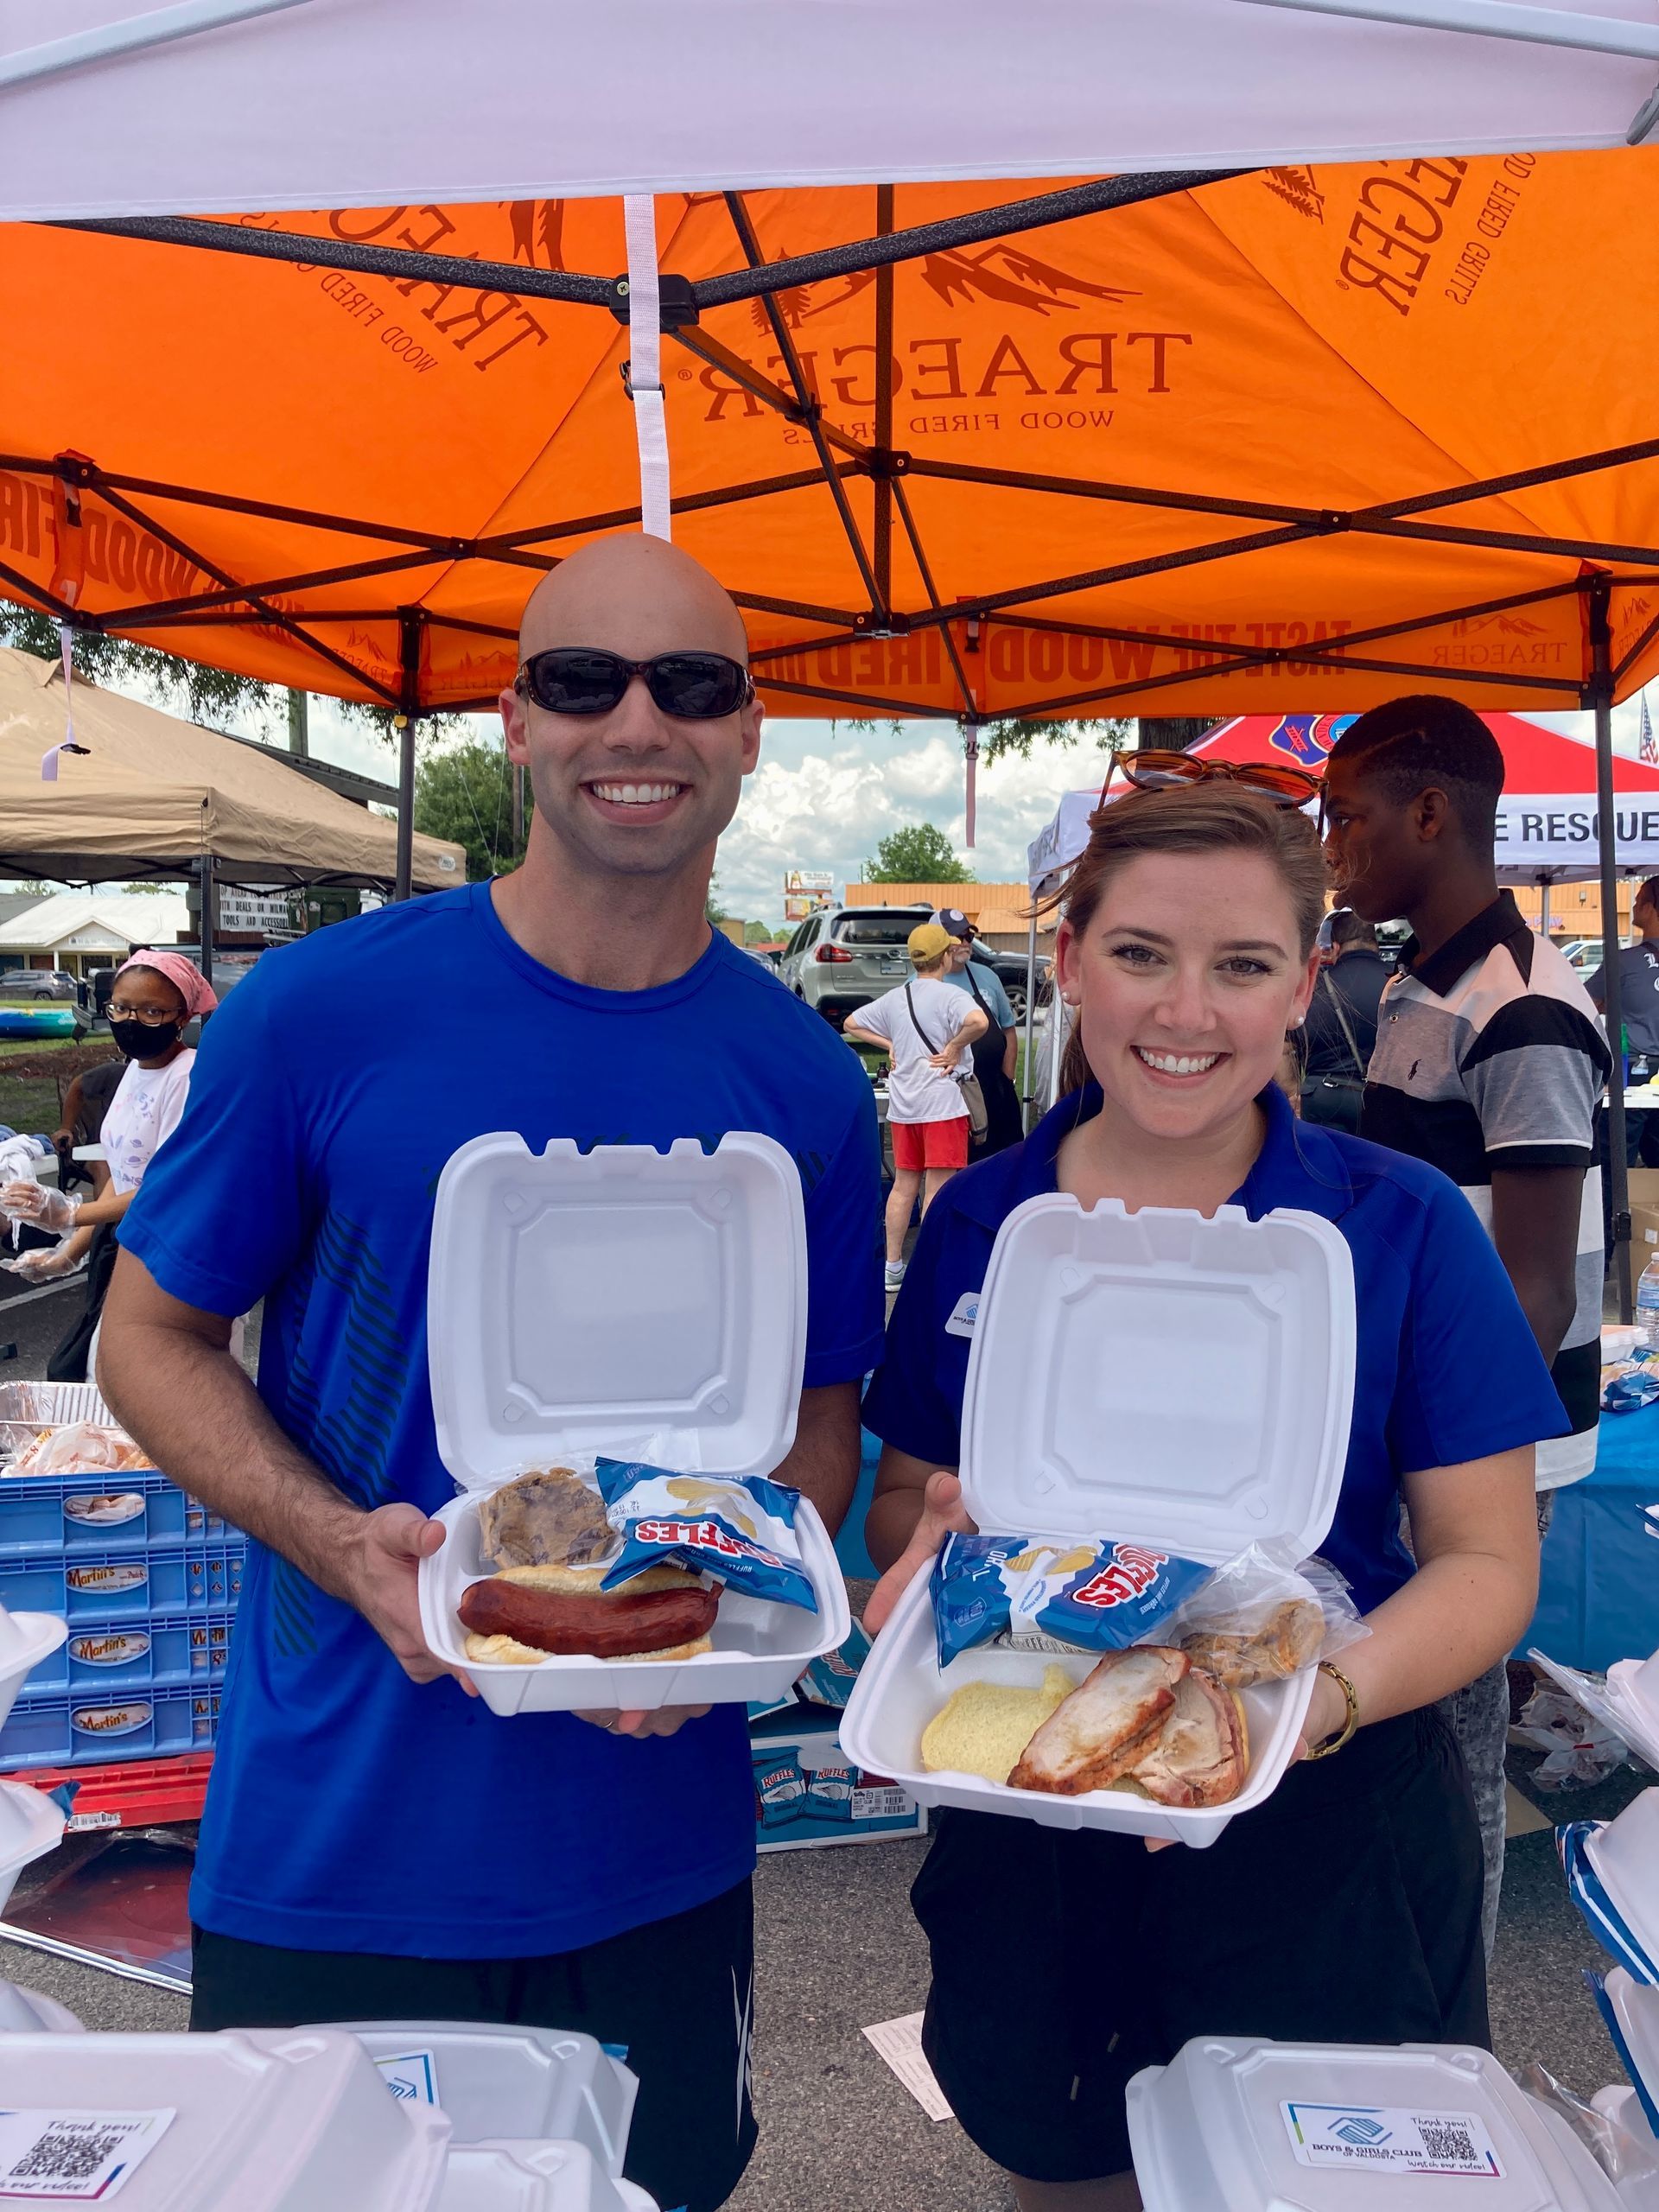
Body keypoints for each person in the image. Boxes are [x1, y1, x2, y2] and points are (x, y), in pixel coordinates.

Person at [95, 536, 884, 2212]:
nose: (639, 720)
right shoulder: (320, 1013)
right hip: (342, 1835)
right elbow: (147, 1339)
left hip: (655, 1846)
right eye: (585, 680)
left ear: (753, 732)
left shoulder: (804, 1079)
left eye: (694, 683)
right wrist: (334, 1539)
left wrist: (740, 1603)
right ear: (517, 720)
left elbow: (821, 1426)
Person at [860, 779, 1564, 2211]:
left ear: (1303, 984)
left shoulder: (1397, 1224)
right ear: (1067, 961)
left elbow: (1488, 1561)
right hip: (1031, 1791)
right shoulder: (986, 1220)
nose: (1186, 1011)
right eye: (1140, 956)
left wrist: (1328, 1697)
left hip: (1323, 1815)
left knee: (1303, 2170)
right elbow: (907, 1511)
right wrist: (924, 1557)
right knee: (1053, 2149)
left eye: (1242, 966)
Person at [1321, 694, 1608, 1963]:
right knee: (1405, 1719)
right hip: (1420, 1412)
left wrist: (1426, 1454)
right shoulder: (1413, 987)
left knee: (1459, 1734)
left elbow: (1535, 1286)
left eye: (1347, 818)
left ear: (1430, 814)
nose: (1334, 847)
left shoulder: (1524, 1008)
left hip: (1487, 1437)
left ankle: (1456, 2005)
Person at [1, 954, 215, 1380]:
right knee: (82, 1370)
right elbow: (123, 1171)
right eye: (120, 1007)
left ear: (183, 1016)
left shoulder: (188, 1077)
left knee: (133, 1379)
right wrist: (69, 1252)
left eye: (151, 1011)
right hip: (122, 1238)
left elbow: (166, 1187)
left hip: (165, 1251)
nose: (131, 1020)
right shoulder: (135, 1072)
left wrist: (72, 1213)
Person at [842, 922, 987, 1292]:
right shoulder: (952, 996)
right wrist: (955, 1047)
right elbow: (979, 1022)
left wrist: (887, 1043)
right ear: (945, 955)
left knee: (903, 1186)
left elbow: (851, 1022)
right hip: (942, 1105)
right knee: (938, 1189)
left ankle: (893, 1266)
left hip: (904, 1107)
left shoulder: (896, 997)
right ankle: (929, 1265)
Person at [1588, 874, 1659, 1250]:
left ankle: (1604, 1256)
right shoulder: (1626, 961)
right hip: (1641, 1081)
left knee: (1613, 1175)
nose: (1633, 906)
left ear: (1651, 908)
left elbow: (1585, 1004)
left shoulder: (1625, 962)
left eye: (1639, 900)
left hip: (1631, 1081)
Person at [932, 908, 1024, 1155]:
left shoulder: (988, 977)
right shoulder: (922, 984)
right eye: (957, 938)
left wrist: (1007, 1078)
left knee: (1006, 1160)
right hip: (953, 1095)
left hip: (995, 1089)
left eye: (968, 936)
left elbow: (1008, 1030)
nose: (965, 943)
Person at [1299, 908, 1388, 1132]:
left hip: (1322, 1096)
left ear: (1336, 947)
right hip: (1381, 1098)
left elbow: (1288, 1045)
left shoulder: (1317, 988)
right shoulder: (1398, 985)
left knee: (1323, 1161)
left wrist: (1292, 1089)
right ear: (1375, 944)